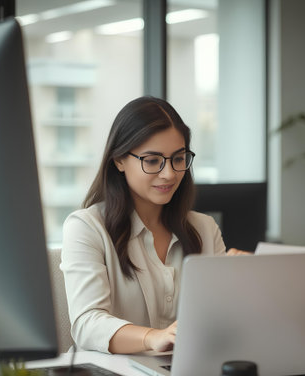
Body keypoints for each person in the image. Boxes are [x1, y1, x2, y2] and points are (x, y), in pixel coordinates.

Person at [61, 96, 243, 355]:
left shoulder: (204, 228)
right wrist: (153, 337)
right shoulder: (86, 227)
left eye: (178, 158)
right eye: (152, 160)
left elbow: (225, 320)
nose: (169, 173)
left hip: (186, 375)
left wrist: (246, 283)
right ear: (119, 160)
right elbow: (87, 323)